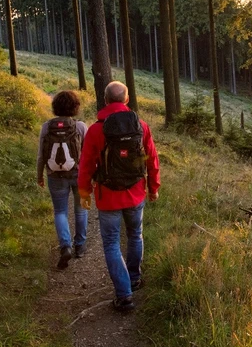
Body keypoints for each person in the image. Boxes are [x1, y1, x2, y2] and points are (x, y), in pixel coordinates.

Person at [78, 81, 160, 312]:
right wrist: (153, 187)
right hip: (135, 193)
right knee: (135, 235)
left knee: (112, 243)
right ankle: (134, 278)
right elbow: (151, 159)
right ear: (126, 100)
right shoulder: (140, 126)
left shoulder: (96, 130)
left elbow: (85, 165)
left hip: (108, 196)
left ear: (105, 100)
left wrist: (84, 192)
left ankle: (124, 296)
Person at [37, 90, 88, 270]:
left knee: (60, 211)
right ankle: (80, 246)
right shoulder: (80, 127)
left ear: (55, 107)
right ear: (75, 107)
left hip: (54, 175)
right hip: (79, 175)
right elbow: (89, 155)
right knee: (81, 209)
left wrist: (39, 175)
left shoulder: (46, 127)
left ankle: (65, 246)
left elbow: (41, 155)